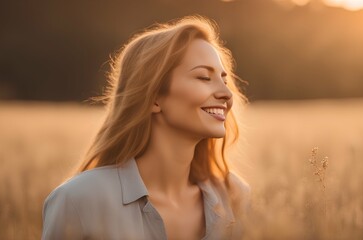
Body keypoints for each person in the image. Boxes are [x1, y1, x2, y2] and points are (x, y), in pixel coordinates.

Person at [42, 15, 250, 240]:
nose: (227, 95)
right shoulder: (78, 200)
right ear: (154, 98)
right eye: (203, 77)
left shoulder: (235, 196)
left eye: (224, 80)